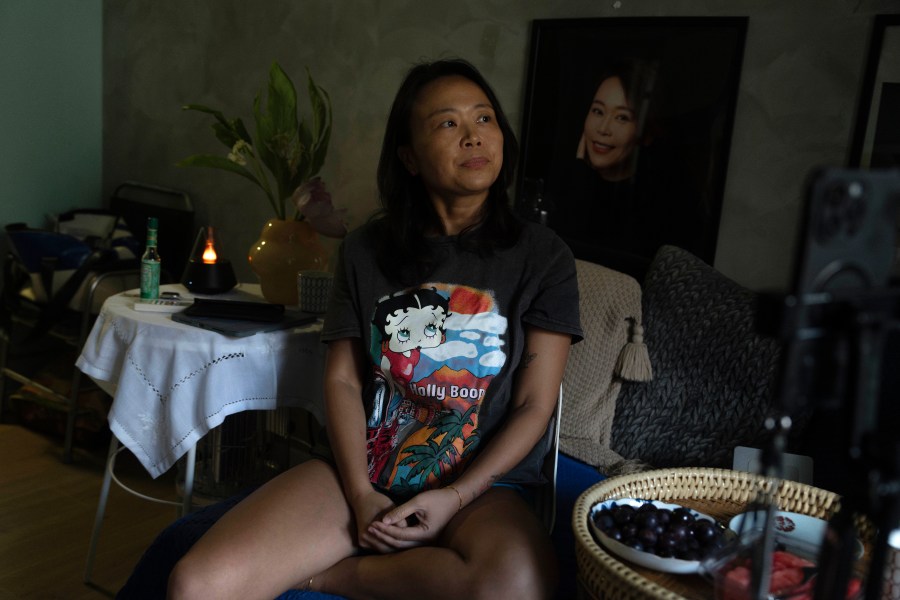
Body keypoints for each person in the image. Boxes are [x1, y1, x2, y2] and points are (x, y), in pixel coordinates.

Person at [167, 58, 582, 600]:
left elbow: (534, 406)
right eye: (448, 123)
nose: (474, 137)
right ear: (408, 156)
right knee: (194, 583)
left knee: (517, 585)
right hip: (366, 471)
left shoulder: (543, 257)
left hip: (482, 489)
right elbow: (342, 382)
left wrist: (454, 498)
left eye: (485, 119)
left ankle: (326, 574)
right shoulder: (366, 250)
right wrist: (361, 494)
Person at [543, 57, 711, 278]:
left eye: (622, 117)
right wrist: (579, 172)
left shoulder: (663, 202)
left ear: (647, 132)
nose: (603, 129)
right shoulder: (565, 181)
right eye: (598, 111)